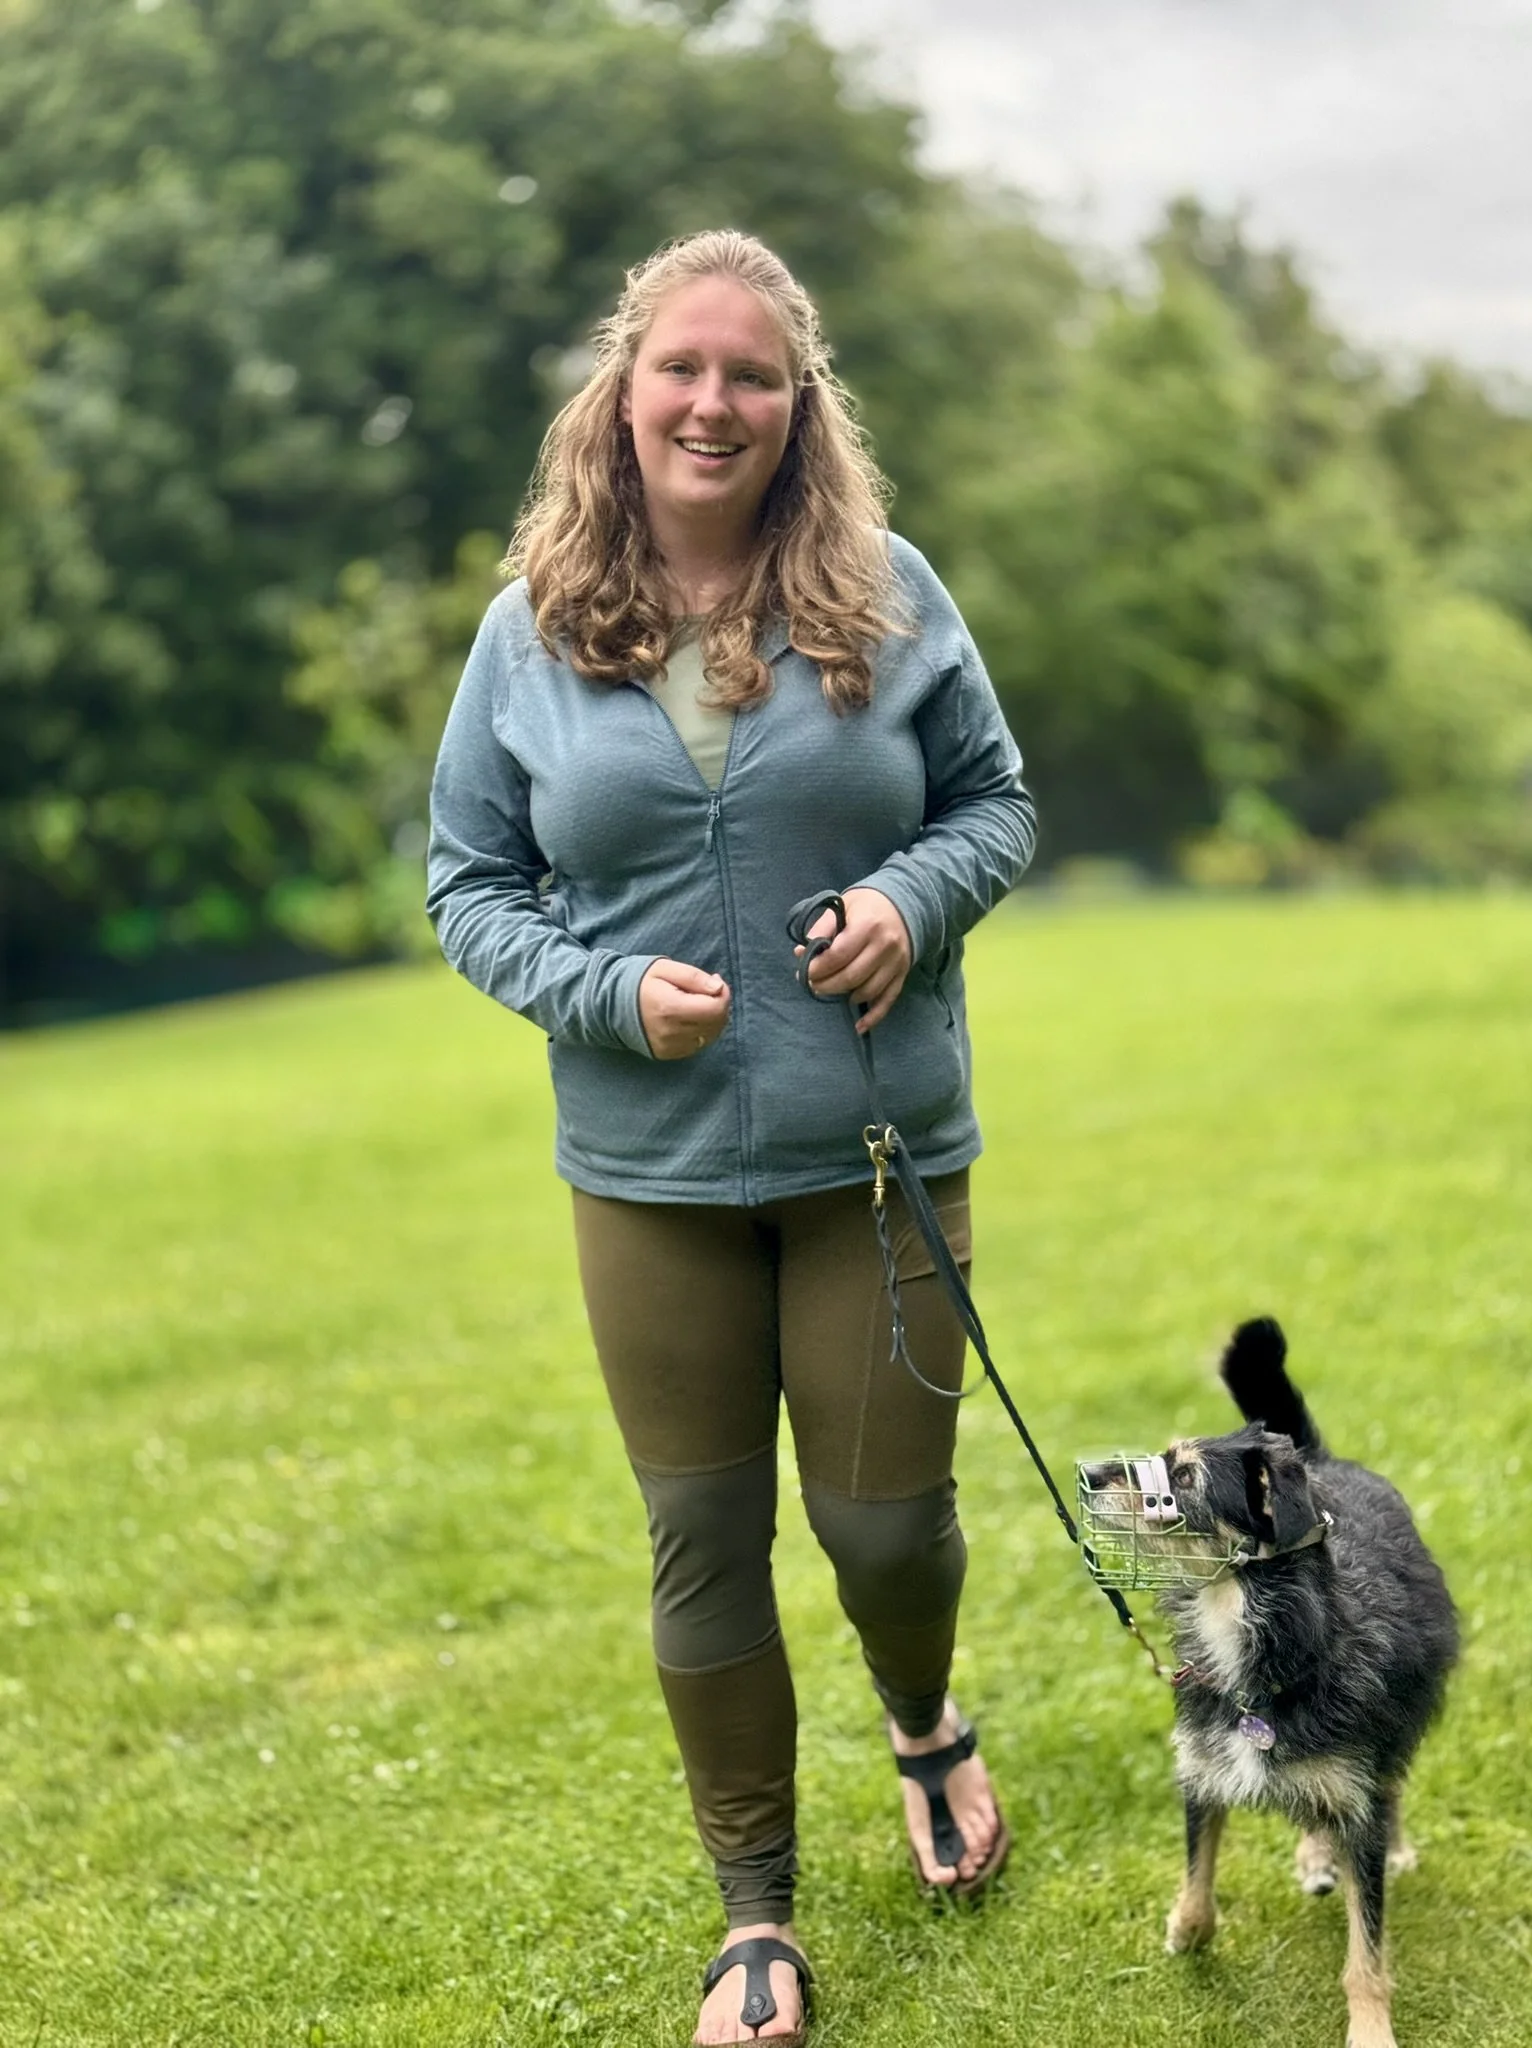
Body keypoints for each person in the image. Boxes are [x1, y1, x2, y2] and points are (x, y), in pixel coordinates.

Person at [426, 228, 1035, 2047]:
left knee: (886, 1532)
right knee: (702, 1539)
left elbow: (993, 803)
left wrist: (912, 903)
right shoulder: (530, 627)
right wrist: (606, 998)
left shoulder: (892, 592)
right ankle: (754, 1914)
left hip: (876, 1158)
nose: (714, 402)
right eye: (682, 368)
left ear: (798, 405)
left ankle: (923, 1720)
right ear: (625, 392)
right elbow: (470, 885)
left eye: (752, 375)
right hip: (652, 1178)